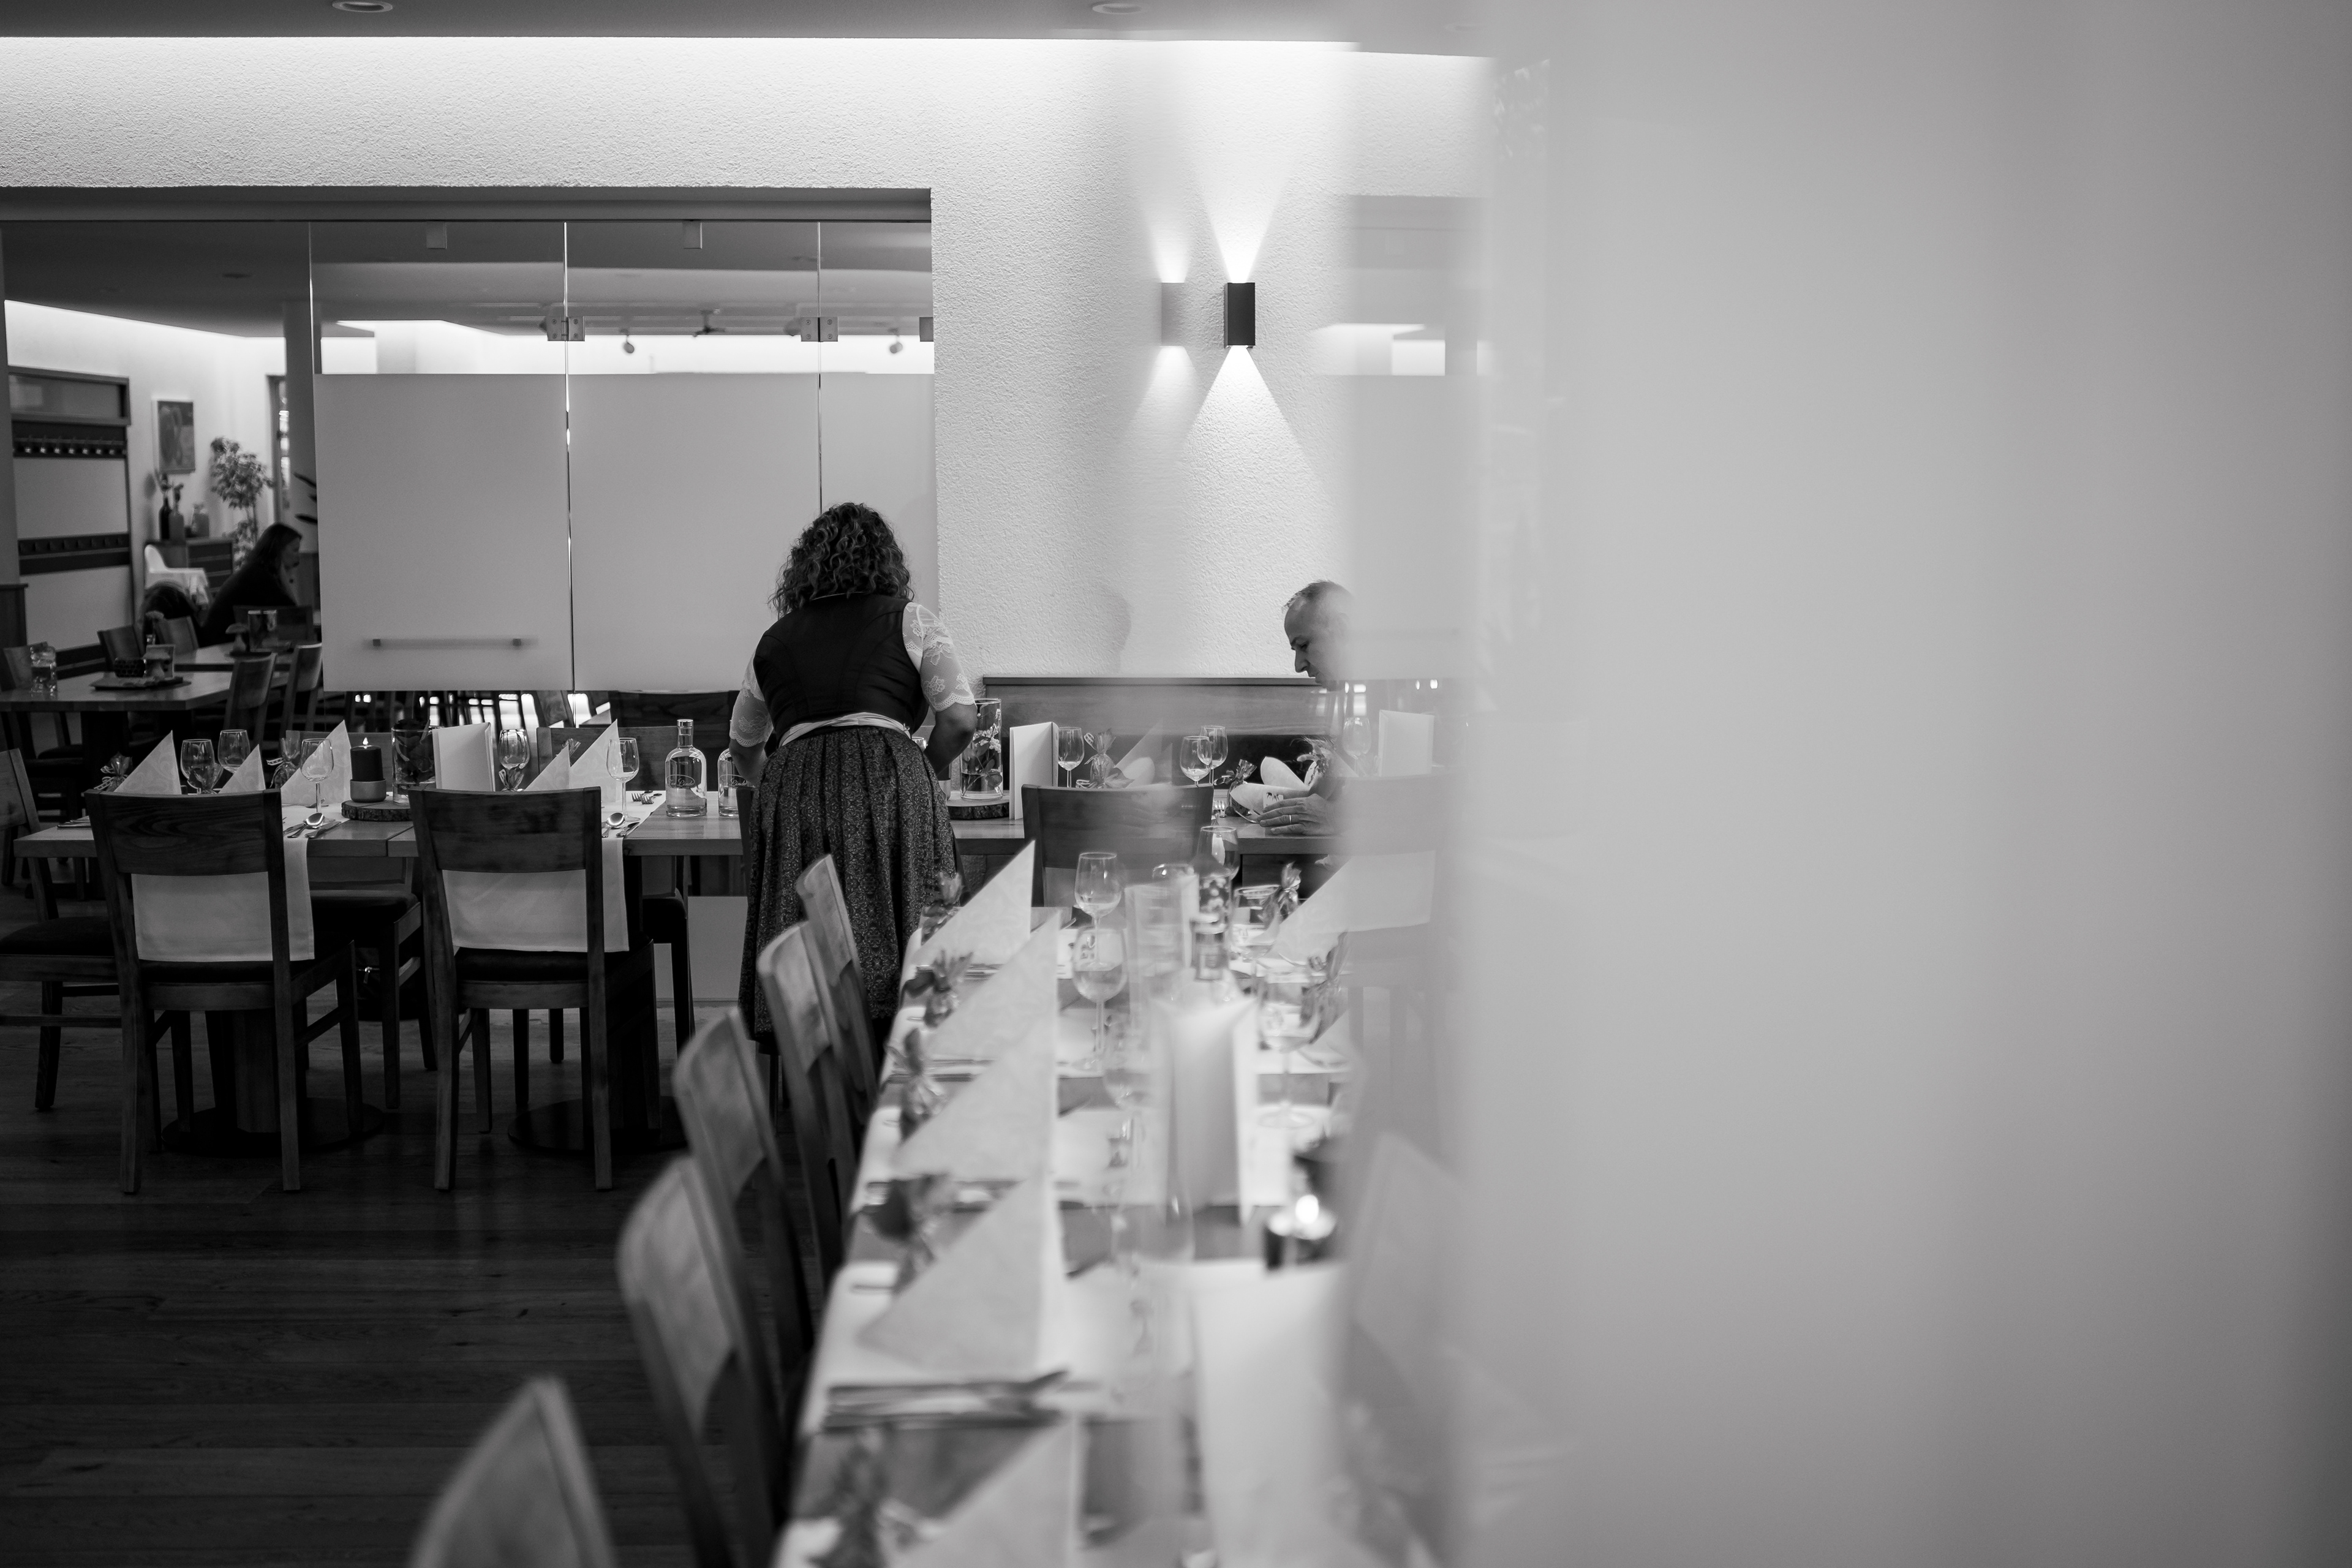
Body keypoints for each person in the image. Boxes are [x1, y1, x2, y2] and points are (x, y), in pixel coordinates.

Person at [731, 502, 979, 1046]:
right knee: (913, 929)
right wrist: (919, 771)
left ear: (804, 569)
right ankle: (913, 1049)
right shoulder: (910, 620)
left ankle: (815, 1064)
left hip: (796, 794)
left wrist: (782, 794)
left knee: (811, 939)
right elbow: (961, 719)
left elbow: (743, 747)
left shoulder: (773, 642)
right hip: (891, 784)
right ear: (885, 561)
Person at [1261, 579, 1352, 835]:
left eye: (1303, 646)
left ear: (1343, 631)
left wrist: (1334, 817)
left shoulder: (1393, 686)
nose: (1298, 666)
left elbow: (1419, 800)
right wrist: (1301, 804)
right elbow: (1345, 765)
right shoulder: (1353, 695)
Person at [197, 522, 305, 645]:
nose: (298, 557)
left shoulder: (256, 570)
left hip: (227, 642)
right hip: (221, 645)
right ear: (278, 550)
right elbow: (293, 617)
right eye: (295, 550)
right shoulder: (259, 576)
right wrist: (284, 576)